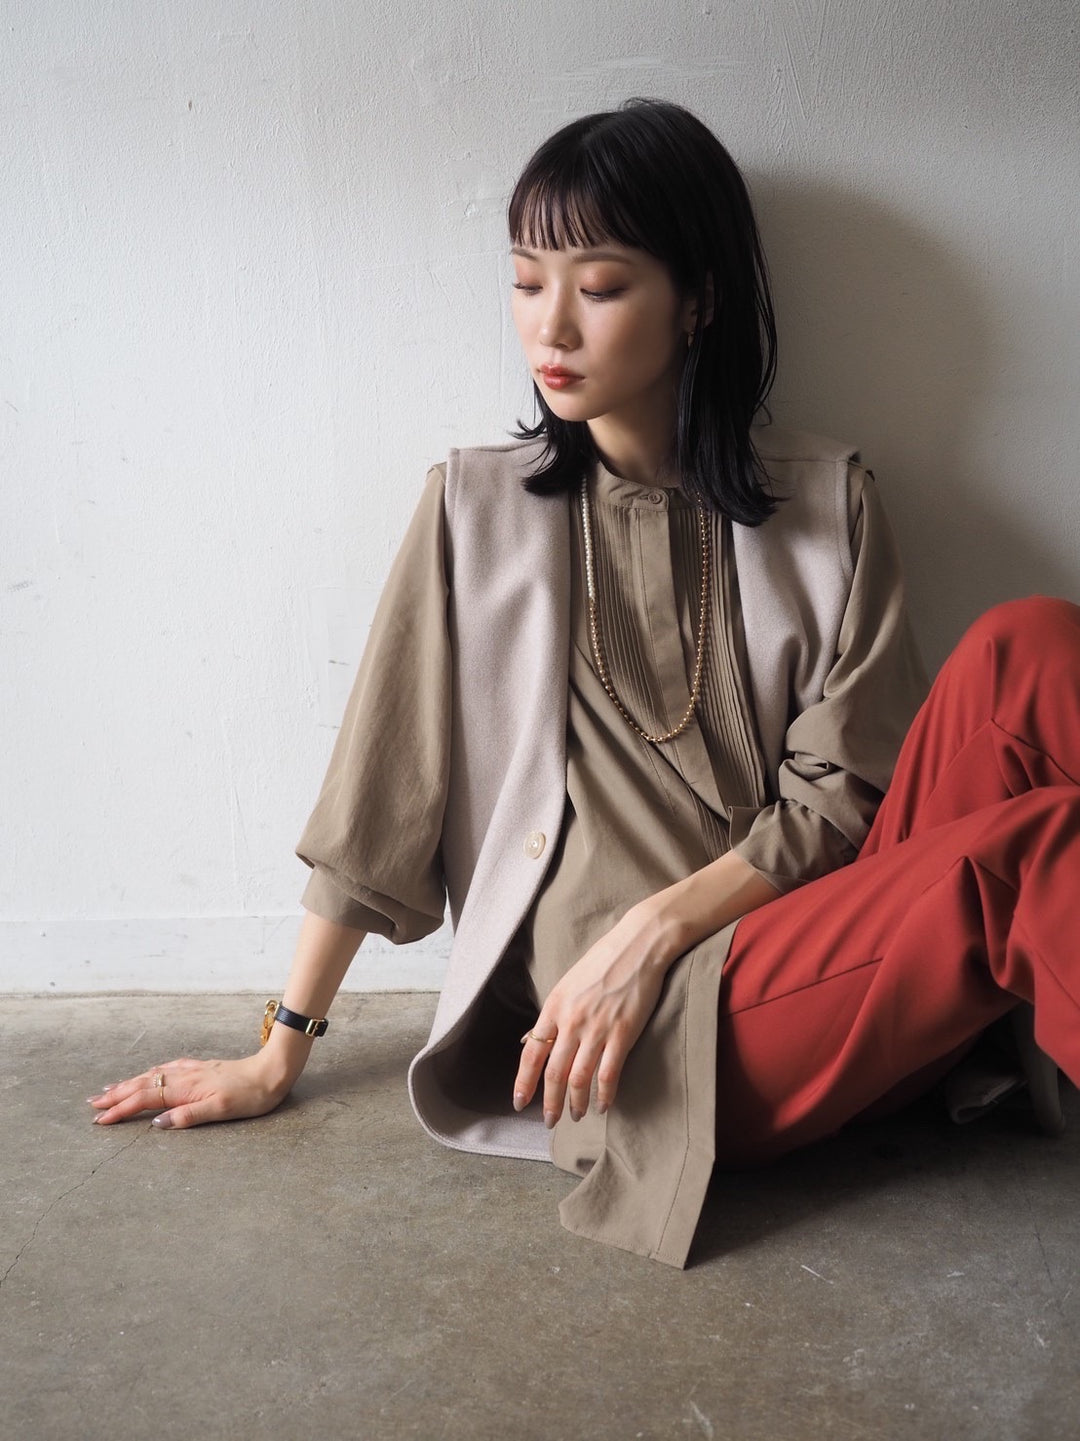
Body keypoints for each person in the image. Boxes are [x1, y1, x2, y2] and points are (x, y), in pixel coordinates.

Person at [89, 99, 1080, 1268]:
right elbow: (375, 802)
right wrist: (279, 1047)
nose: (549, 325)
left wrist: (654, 924)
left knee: (1033, 644)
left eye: (599, 287)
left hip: (818, 942)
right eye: (525, 282)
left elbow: (847, 796)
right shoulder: (474, 512)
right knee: (1032, 853)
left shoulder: (827, 501)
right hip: (667, 1040)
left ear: (698, 301)